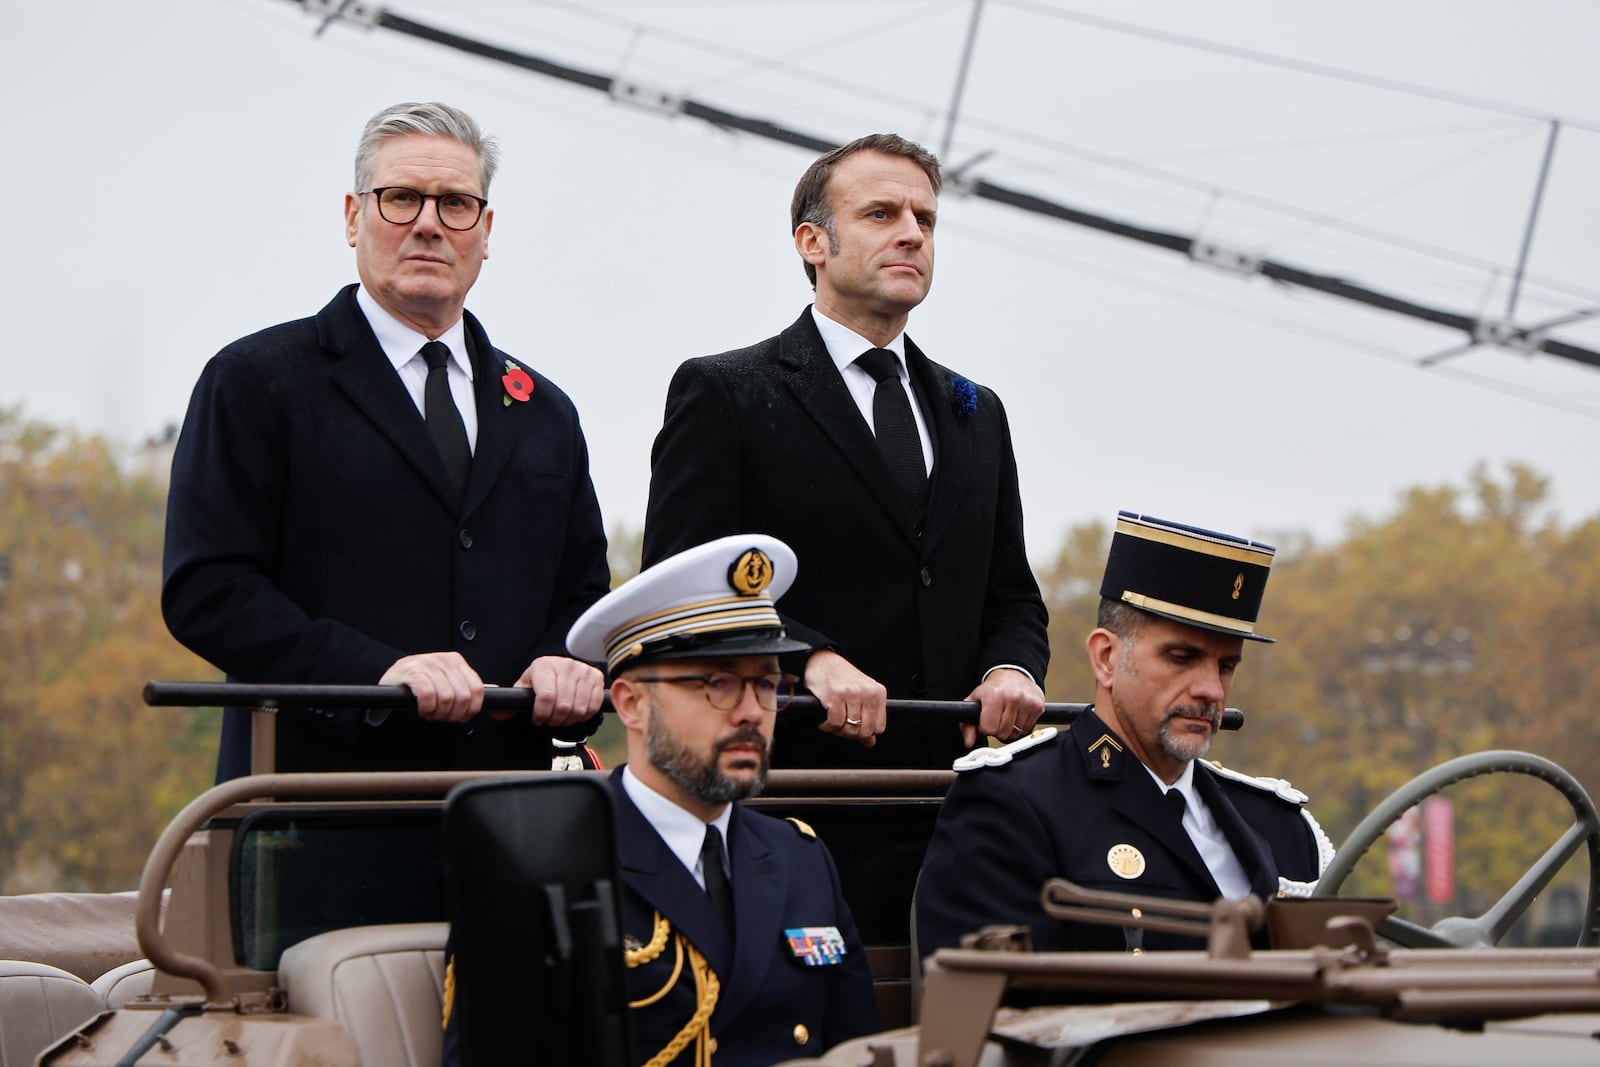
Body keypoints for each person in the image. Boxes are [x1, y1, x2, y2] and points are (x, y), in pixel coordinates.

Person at [162, 102, 610, 781]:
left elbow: (583, 594)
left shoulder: (545, 410)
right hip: (319, 809)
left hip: (509, 814)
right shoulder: (258, 382)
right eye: (401, 198)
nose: (429, 224)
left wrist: (569, 658)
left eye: (456, 203)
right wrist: (375, 670)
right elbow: (209, 589)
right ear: (353, 216)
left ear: (485, 231)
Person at [642, 133, 1049, 770]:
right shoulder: (727, 392)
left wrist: (1012, 669)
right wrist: (809, 659)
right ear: (813, 243)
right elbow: (683, 586)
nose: (913, 234)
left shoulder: (978, 412)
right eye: (881, 214)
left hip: (952, 796)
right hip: (791, 786)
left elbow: (1012, 595)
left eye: (926, 219)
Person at [440, 534, 880, 1067]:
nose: (750, 712)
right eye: (718, 683)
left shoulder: (799, 856)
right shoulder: (537, 865)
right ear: (630, 704)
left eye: (767, 685)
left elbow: (856, 1048)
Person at [916, 512, 1332, 955]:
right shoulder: (1014, 807)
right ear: (1106, 658)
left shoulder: (1280, 825)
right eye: (1181, 657)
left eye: (1225, 666)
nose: (1211, 689)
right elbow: (988, 1005)